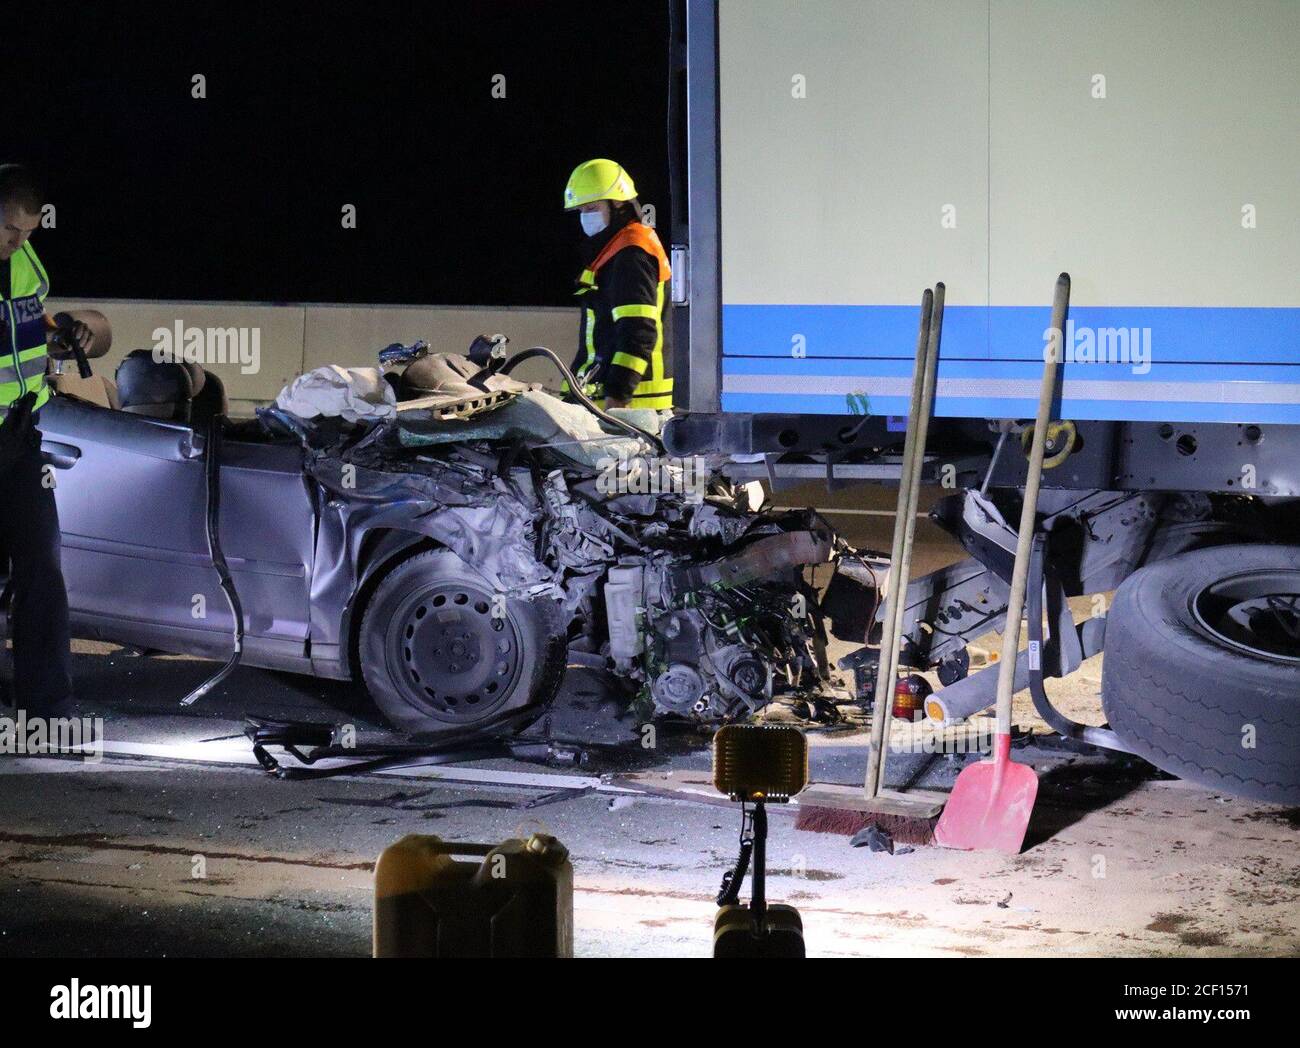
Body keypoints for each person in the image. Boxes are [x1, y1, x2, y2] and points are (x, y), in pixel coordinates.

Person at [0, 163, 92, 716]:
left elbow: (25, 343)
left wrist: (61, 337)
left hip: (18, 438)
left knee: (42, 565)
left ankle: (47, 708)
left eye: (30, 232)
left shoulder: (26, 268)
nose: (20, 242)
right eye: (12, 230)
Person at [561, 159, 673, 411]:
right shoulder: (616, 250)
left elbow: (639, 332)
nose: (585, 217)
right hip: (606, 399)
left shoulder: (632, 254)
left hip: (629, 406)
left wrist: (618, 396)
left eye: (592, 207)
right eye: (581, 211)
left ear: (618, 202)